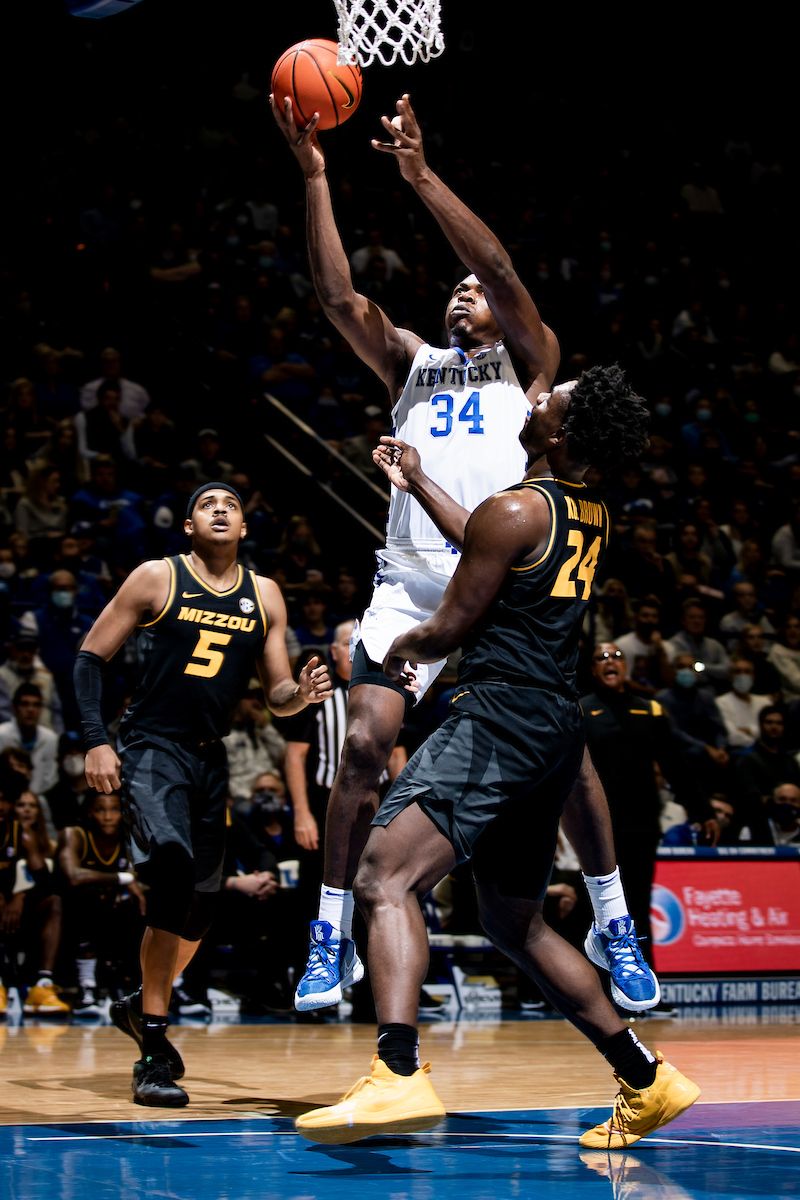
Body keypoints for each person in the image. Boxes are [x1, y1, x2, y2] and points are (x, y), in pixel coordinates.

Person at [271, 93, 653, 1016]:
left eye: (470, 290)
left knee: (566, 756)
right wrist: (316, 177)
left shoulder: (533, 366)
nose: (461, 289)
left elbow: (496, 261)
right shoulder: (411, 362)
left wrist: (419, 176)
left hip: (506, 582)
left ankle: (613, 916)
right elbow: (335, 296)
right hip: (412, 584)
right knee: (362, 744)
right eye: (452, 289)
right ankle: (329, 930)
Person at [293, 298, 699, 1148]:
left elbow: (452, 621)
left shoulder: (518, 508)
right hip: (553, 732)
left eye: (554, 398)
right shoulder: (577, 510)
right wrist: (424, 482)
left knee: (382, 875)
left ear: (558, 432)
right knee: (512, 923)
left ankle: (397, 1074)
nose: (540, 395)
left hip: (500, 721)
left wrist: (402, 642)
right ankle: (646, 1078)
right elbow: (486, 544)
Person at [72, 482, 332, 1107]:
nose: (220, 510)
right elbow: (88, 659)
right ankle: (155, 1049)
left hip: (210, 760)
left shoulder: (264, 593)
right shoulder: (155, 578)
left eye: (233, 505)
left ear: (244, 526)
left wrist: (300, 694)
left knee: (203, 906)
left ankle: (140, 1003)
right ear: (188, 525)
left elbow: (273, 692)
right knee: (172, 871)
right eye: (207, 505)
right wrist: (95, 740)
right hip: (151, 747)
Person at [581, 644, 717, 976]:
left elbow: (676, 765)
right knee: (602, 910)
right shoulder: (581, 710)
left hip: (641, 826)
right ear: (593, 670)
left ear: (626, 666)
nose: (609, 662)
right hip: (598, 828)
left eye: (616, 656)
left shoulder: (650, 710)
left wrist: (702, 810)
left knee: (639, 905)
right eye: (601, 658)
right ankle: (600, 986)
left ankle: (645, 983)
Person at [57, 791, 146, 1017]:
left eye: (114, 810)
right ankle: (87, 986)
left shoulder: (127, 838)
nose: (108, 816)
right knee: (86, 899)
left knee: (147, 903)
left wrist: (132, 883)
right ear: (89, 812)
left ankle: (155, 987)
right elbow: (74, 876)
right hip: (70, 916)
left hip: (113, 913)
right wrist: (125, 879)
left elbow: (141, 877)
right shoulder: (74, 835)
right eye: (100, 810)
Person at [715, 657, 772, 749]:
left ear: (753, 677)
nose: (742, 675)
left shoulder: (765, 702)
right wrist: (761, 743)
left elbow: (773, 731)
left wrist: (749, 730)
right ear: (730, 677)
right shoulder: (721, 702)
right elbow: (733, 736)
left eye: (747, 672)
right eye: (737, 672)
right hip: (741, 751)